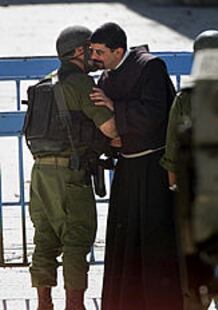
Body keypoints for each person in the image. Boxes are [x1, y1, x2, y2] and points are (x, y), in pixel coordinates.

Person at [88, 22, 182, 310]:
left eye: (100, 52)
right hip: (127, 170)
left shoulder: (150, 67)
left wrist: (116, 109)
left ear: (119, 51)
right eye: (92, 51)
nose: (95, 57)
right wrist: (113, 138)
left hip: (153, 169)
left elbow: (155, 114)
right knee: (124, 242)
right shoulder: (107, 74)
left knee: (154, 242)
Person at [27, 25, 118, 310]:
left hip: (39, 175)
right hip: (70, 175)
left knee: (44, 239)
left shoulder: (43, 84)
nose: (94, 55)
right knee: (75, 242)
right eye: (91, 49)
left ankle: (44, 304)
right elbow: (111, 129)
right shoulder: (81, 84)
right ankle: (74, 306)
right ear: (79, 51)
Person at [160, 30, 218, 308]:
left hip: (196, 194)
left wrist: (175, 190)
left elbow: (172, 152)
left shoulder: (186, 97)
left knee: (194, 263)